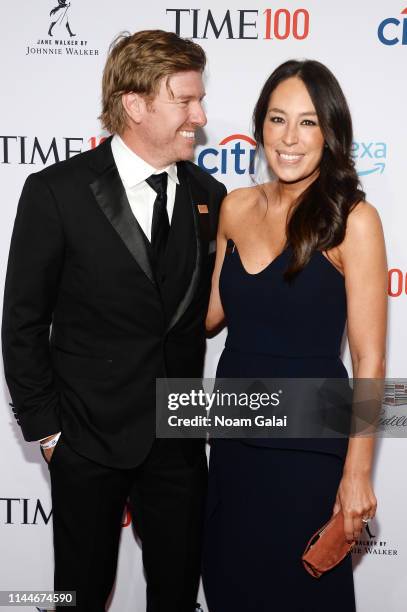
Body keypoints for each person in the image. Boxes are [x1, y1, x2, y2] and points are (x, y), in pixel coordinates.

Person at [2, 30, 226, 611]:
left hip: (178, 443)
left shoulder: (211, 194)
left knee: (176, 597)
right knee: (77, 598)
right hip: (86, 440)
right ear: (135, 104)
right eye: (185, 100)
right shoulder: (57, 192)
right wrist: (49, 434)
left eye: (199, 100)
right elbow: (22, 321)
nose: (200, 116)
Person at [202, 60, 387, 611]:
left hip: (308, 452)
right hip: (233, 443)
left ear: (330, 134)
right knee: (230, 588)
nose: (289, 138)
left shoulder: (354, 220)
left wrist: (357, 476)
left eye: (307, 123)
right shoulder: (234, 207)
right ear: (259, 126)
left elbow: (372, 361)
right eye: (278, 119)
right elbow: (208, 317)